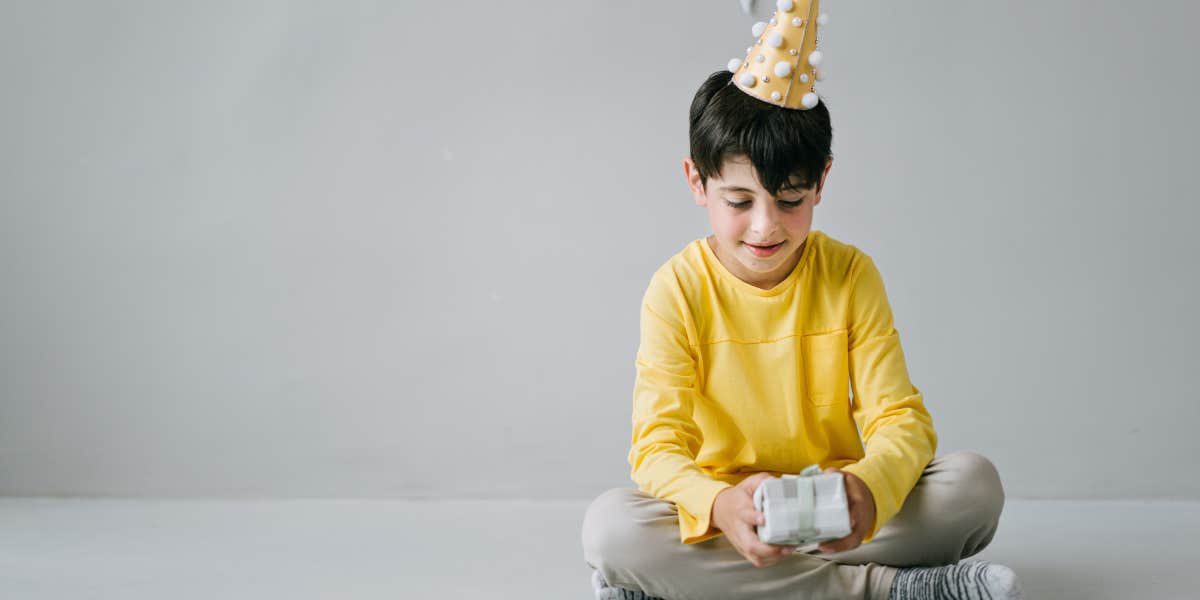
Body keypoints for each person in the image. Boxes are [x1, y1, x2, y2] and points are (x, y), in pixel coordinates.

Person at [580, 3, 1025, 599]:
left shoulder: (849, 274)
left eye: (790, 200)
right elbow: (657, 447)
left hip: (834, 511)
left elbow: (900, 418)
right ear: (696, 182)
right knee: (612, 531)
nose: (765, 227)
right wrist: (718, 503)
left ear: (822, 182)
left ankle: (689, 589)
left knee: (972, 487)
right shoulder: (677, 289)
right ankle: (889, 590)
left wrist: (867, 489)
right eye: (739, 201)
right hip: (734, 517)